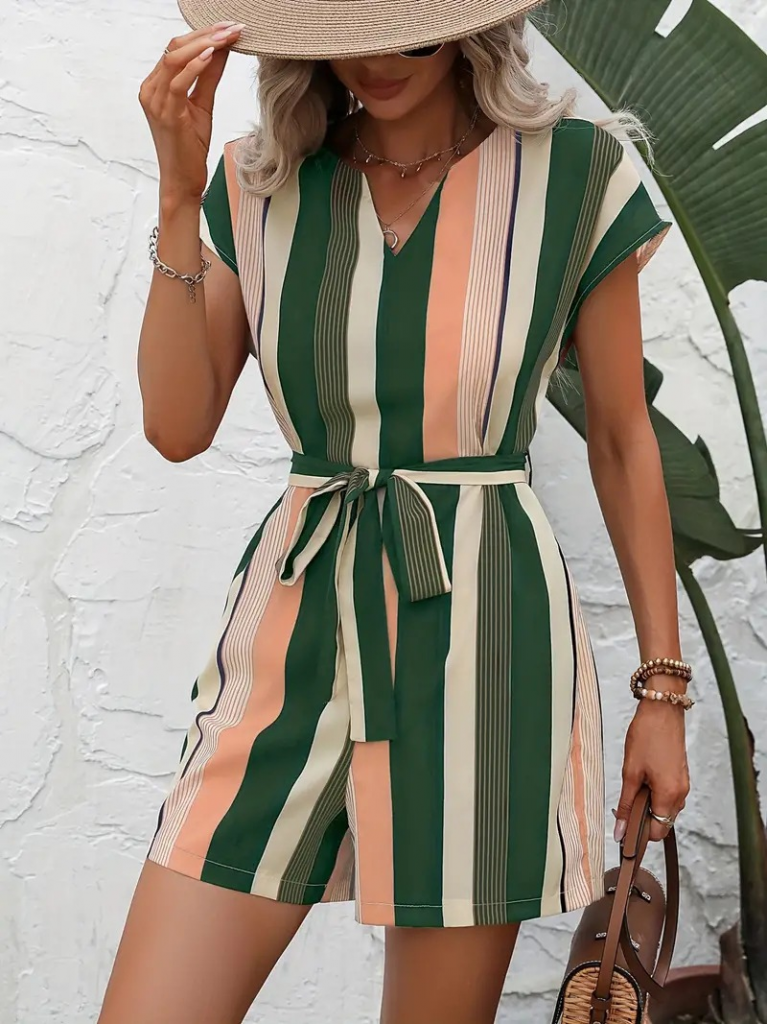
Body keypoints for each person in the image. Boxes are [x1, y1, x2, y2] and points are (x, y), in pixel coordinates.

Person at [98, 2, 693, 1021]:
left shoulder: (573, 174)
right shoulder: (255, 182)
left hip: (486, 639)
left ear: (465, 26)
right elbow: (176, 423)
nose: (374, 61)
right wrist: (175, 192)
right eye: (347, 32)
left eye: (407, 29)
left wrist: (661, 691)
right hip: (293, 627)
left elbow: (619, 439)